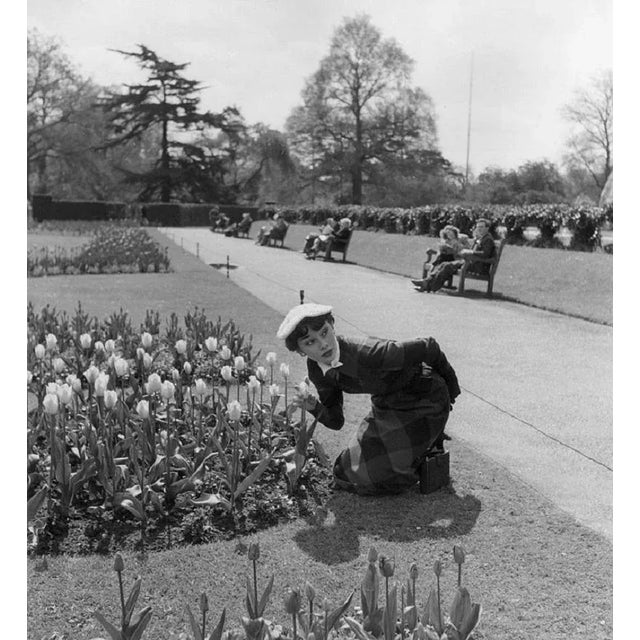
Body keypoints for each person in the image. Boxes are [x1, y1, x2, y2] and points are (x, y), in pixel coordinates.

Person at [278, 303, 460, 495]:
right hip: (387, 404)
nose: (323, 344)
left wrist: (452, 393)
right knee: (344, 471)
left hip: (425, 398)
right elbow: (336, 420)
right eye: (309, 342)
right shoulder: (317, 371)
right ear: (300, 351)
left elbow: (428, 346)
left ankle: (424, 452)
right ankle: (415, 446)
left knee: (382, 477)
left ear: (332, 325)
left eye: (324, 332)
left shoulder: (369, 352)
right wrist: (314, 407)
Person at [411, 218, 495, 292]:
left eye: (482, 227)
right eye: (478, 227)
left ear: (487, 228)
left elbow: (485, 254)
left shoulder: (488, 239)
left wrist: (471, 252)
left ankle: (427, 285)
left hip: (478, 266)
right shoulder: (481, 238)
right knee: (444, 264)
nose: (479, 229)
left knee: (447, 266)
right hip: (470, 262)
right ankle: (426, 283)